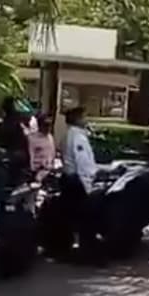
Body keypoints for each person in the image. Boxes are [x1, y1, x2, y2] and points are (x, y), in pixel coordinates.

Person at [60, 106, 102, 265]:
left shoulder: (69, 135)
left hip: (70, 180)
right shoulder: (77, 138)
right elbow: (83, 163)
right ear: (77, 119)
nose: (86, 119)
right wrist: (88, 185)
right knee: (83, 219)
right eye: (84, 117)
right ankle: (84, 253)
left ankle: (74, 249)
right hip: (77, 182)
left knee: (73, 218)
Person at [27, 112, 56, 177]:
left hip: (50, 169)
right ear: (40, 125)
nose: (48, 127)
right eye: (46, 125)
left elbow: (52, 153)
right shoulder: (32, 138)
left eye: (50, 125)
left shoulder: (50, 137)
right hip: (38, 170)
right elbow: (30, 155)